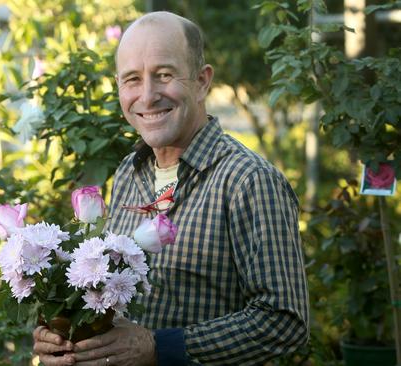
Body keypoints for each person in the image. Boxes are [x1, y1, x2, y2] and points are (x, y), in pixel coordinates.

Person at [33, 11, 309, 365]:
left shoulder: (248, 181)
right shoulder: (130, 173)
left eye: (164, 75)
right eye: (132, 79)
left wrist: (160, 348)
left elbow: (284, 322)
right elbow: (111, 300)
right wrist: (62, 333)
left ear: (202, 81)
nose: (147, 96)